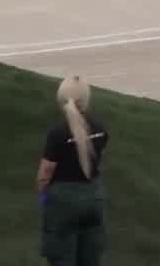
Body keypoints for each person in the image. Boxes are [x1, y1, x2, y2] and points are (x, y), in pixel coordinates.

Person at [38, 75, 108, 266]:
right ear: (86, 99)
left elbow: (45, 173)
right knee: (90, 257)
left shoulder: (57, 133)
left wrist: (43, 196)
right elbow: (98, 160)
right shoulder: (100, 128)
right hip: (94, 198)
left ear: (61, 100)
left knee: (62, 257)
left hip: (63, 202)